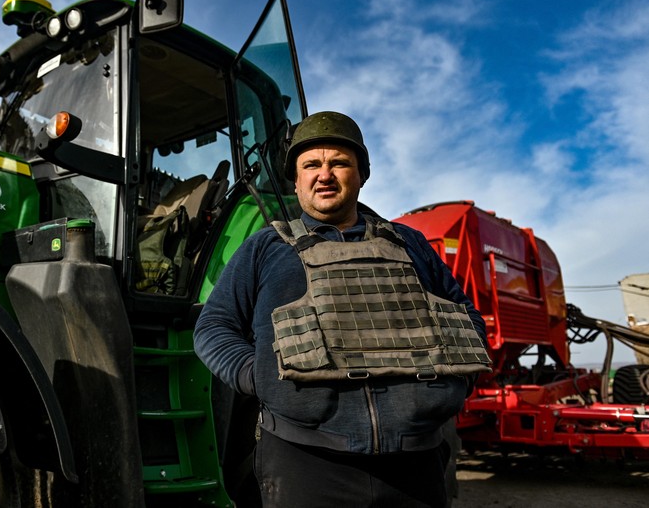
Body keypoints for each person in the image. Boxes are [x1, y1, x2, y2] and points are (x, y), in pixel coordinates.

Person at [193, 111, 490, 507]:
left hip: (414, 464)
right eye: (311, 165)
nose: (324, 174)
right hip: (305, 460)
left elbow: (465, 316)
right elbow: (213, 327)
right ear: (296, 181)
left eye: (339, 163)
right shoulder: (265, 248)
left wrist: (455, 385)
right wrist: (259, 376)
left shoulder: (410, 244)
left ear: (361, 175)